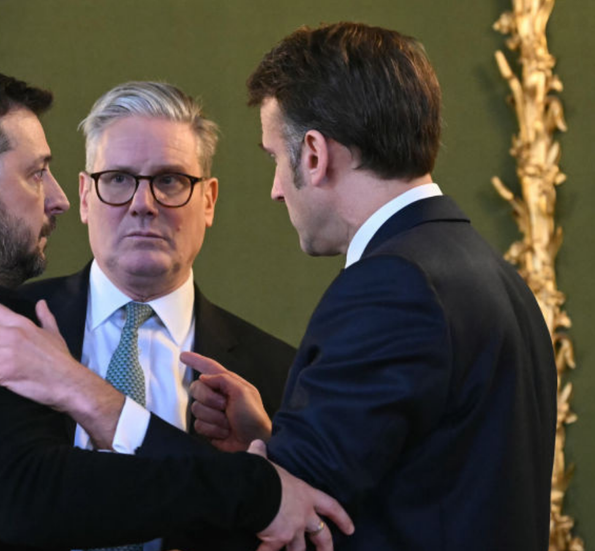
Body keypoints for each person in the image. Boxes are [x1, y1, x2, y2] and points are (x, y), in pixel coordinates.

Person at [0, 65, 351, 551]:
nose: (55, 198)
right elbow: (34, 494)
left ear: (208, 201)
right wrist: (253, 488)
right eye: (36, 173)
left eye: (169, 181)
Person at [184, 21, 556, 550]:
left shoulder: (392, 286)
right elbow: (422, 478)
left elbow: (292, 522)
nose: (275, 190)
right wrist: (271, 441)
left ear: (314, 154)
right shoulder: (493, 273)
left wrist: (92, 402)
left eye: (275, 158)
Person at [0, 81, 295, 551]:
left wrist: (263, 461)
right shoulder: (3, 329)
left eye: (170, 180)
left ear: (208, 201)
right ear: (85, 197)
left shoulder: (276, 375)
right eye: (119, 179)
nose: (143, 205)